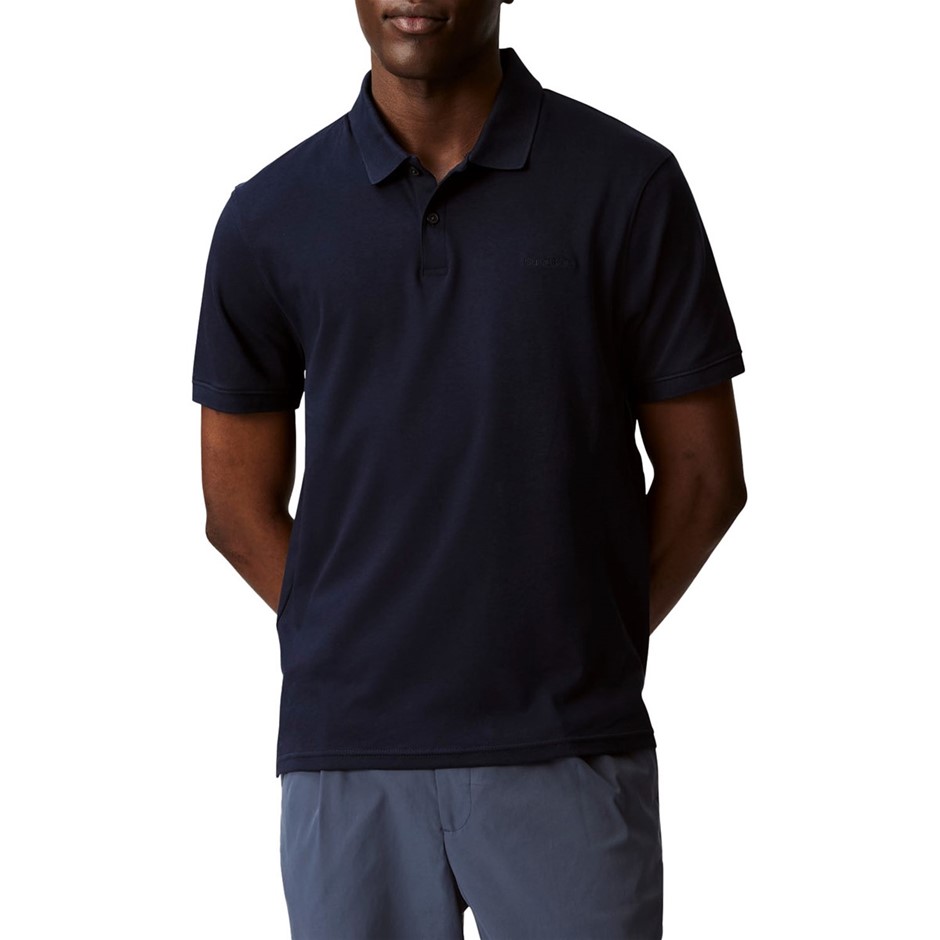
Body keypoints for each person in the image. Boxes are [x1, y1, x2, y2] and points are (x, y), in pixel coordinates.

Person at [191, 1, 747, 936]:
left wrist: (581, 636)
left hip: (567, 748)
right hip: (349, 758)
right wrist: (364, 641)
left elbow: (705, 478)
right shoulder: (269, 215)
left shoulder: (627, 183)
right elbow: (234, 509)